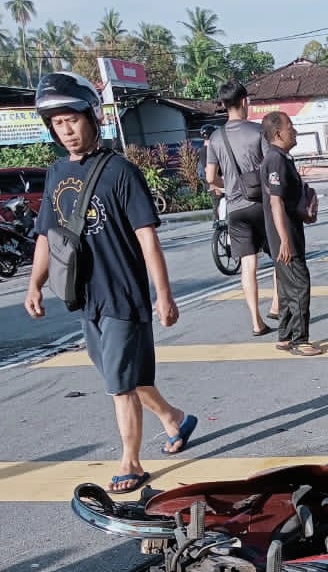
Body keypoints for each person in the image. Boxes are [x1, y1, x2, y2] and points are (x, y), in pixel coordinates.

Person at [25, 72, 197, 495]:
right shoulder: (55, 173)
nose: (66, 131)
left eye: (72, 121)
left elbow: (147, 239)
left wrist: (164, 295)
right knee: (123, 376)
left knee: (120, 384)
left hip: (123, 294)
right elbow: (47, 233)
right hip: (85, 297)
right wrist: (34, 283)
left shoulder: (121, 172)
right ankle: (173, 417)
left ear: (92, 119)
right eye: (57, 124)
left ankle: (131, 462)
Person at [205, 81, 279, 337]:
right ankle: (276, 304)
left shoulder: (215, 138)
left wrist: (229, 185)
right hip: (262, 205)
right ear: (245, 102)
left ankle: (256, 321)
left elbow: (210, 177)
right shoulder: (258, 132)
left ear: (224, 105)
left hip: (235, 209)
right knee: (279, 255)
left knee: (248, 265)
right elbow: (272, 167)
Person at [260, 112, 322, 357]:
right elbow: (276, 202)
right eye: (290, 127)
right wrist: (284, 240)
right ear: (277, 134)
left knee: (287, 289)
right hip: (285, 237)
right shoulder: (275, 160)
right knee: (299, 286)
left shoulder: (282, 159)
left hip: (290, 233)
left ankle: (285, 335)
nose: (294, 131)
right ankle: (299, 339)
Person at [197, 124, 221, 223]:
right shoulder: (205, 151)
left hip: (216, 180)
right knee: (218, 203)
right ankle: (218, 226)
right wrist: (215, 185)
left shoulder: (204, 149)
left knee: (219, 203)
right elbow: (207, 169)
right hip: (215, 182)